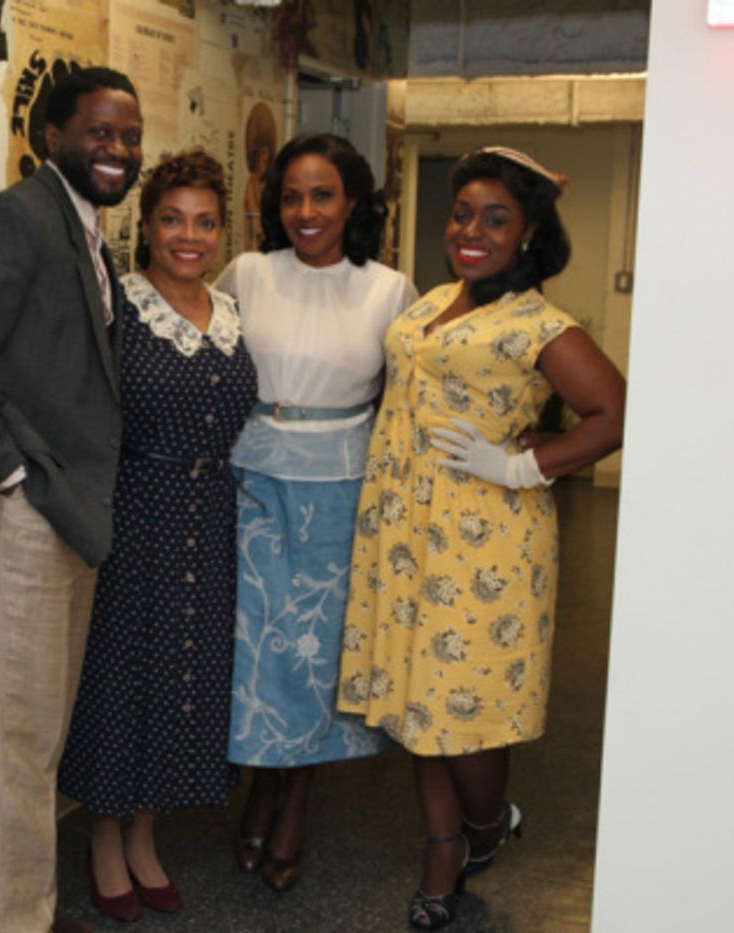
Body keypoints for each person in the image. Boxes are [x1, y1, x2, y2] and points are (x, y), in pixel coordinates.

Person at [336, 147, 625, 930]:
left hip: (485, 539)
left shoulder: (540, 322)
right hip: (404, 526)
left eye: (495, 218)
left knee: (469, 712)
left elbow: (614, 414)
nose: (471, 229)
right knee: (421, 706)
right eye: (462, 213)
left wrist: (524, 465)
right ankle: (442, 851)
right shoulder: (434, 300)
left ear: (529, 231)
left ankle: (488, 823)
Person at [0, 66, 143, 933]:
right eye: (99, 132)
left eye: (129, 134)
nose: (118, 149)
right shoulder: (14, 221)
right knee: (11, 743)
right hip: (12, 521)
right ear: (51, 136)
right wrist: (13, 481)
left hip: (58, 519)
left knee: (19, 741)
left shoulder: (80, 227)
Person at [57, 150, 257, 922]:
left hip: (212, 516)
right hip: (134, 511)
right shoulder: (119, 305)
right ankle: (104, 838)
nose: (190, 235)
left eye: (205, 221)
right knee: (121, 680)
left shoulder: (229, 308)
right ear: (146, 225)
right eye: (173, 218)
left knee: (185, 681)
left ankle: (146, 834)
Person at [216, 133, 417, 891]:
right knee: (256, 657)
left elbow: (409, 402)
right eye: (291, 196)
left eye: (323, 194)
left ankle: (289, 800)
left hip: (342, 488)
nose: (305, 211)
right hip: (250, 482)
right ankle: (264, 784)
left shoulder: (390, 289)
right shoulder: (247, 273)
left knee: (313, 659)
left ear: (354, 203)